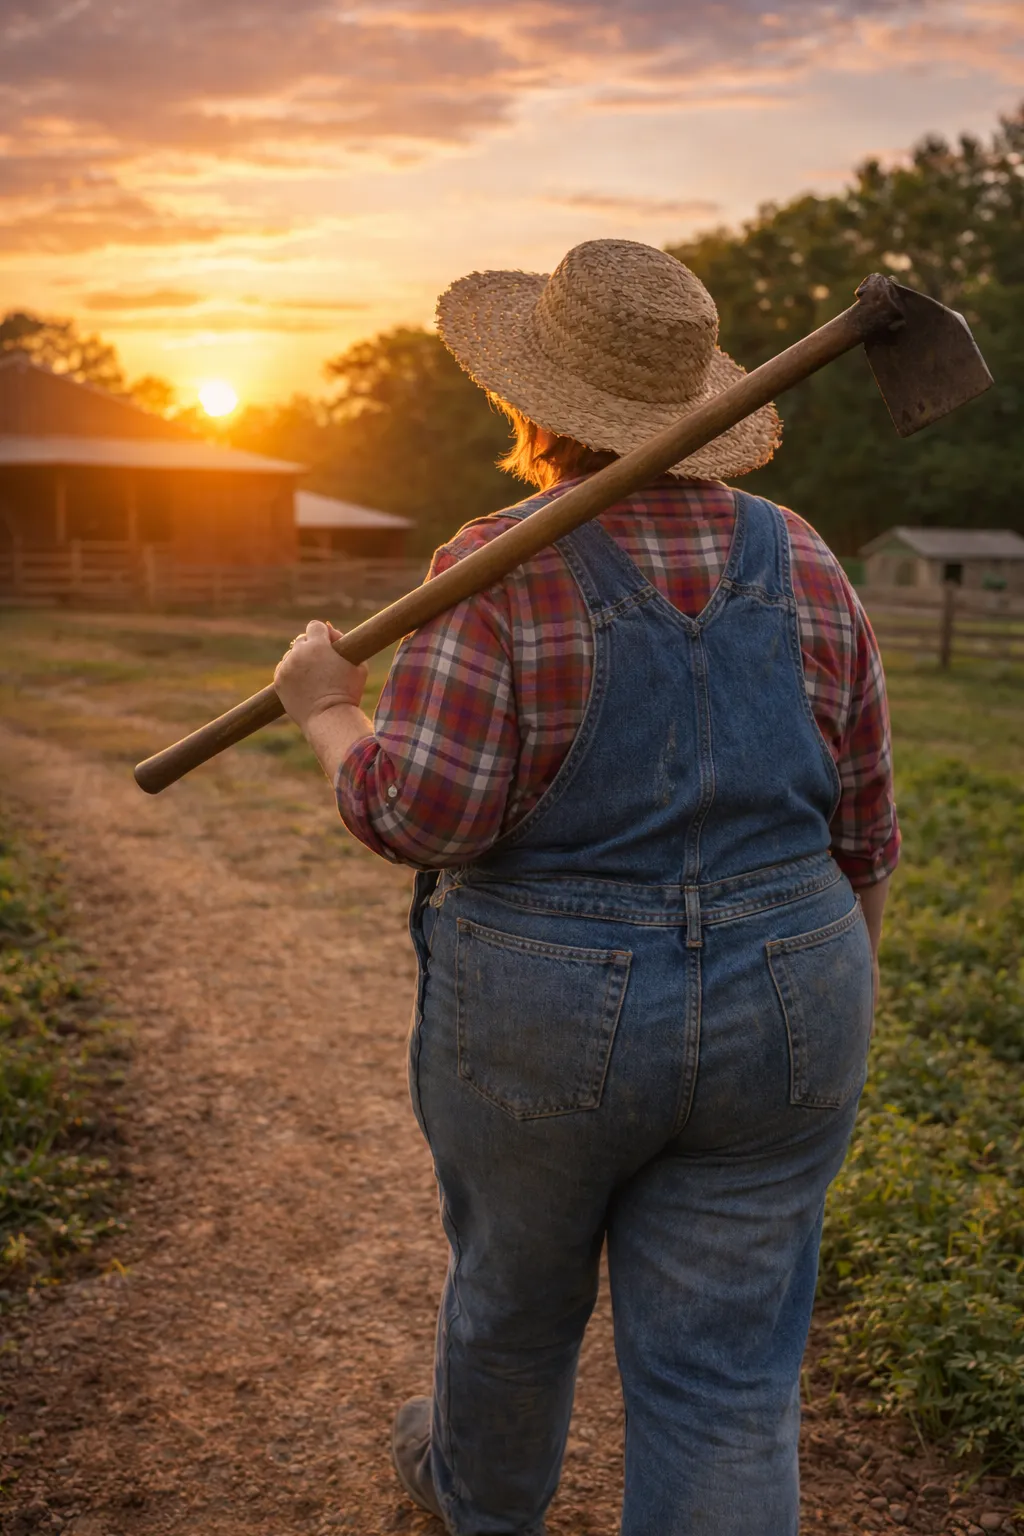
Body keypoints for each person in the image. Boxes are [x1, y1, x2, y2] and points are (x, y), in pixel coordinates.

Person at [273, 239, 899, 1536]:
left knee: (514, 1297)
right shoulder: (805, 561)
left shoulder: (495, 565)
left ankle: (478, 1500)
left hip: (549, 1008)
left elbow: (415, 813)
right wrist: (836, 1004)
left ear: (534, 404)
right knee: (726, 1378)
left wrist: (329, 708)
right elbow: (865, 834)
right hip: (798, 988)